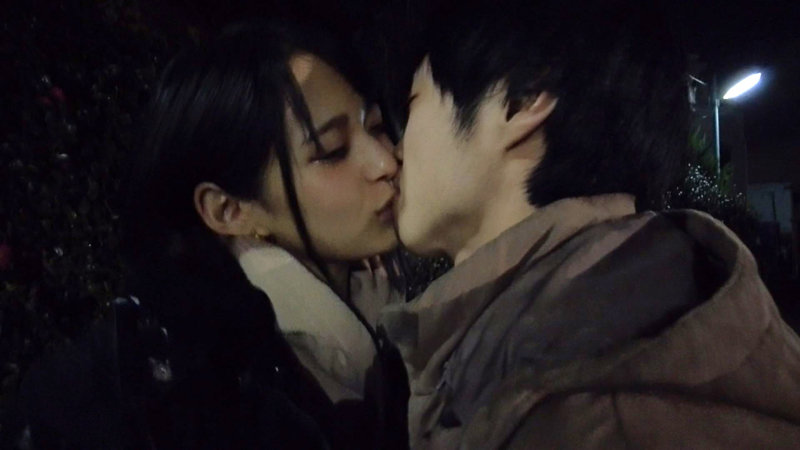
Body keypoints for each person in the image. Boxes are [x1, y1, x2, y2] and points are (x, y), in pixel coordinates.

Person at [380, 0, 800, 447]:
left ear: (520, 100)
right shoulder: (666, 305)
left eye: (413, 106)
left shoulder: (586, 421)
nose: (394, 153)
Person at [9, 20, 408, 449]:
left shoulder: (371, 310)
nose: (385, 161)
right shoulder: (209, 397)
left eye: (376, 126)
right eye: (332, 152)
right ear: (228, 211)